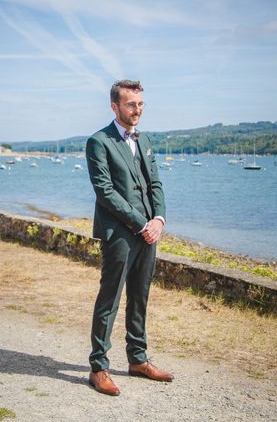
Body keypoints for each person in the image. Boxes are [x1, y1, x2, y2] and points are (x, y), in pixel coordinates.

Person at [86, 80, 173, 396]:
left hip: (149, 232)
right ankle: (98, 367)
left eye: (140, 105)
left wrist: (159, 219)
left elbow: (156, 184)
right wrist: (141, 223)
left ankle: (137, 359)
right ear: (115, 107)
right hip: (119, 233)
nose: (137, 110)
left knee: (140, 295)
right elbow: (105, 191)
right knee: (109, 299)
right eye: (131, 105)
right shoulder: (98, 142)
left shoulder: (145, 139)